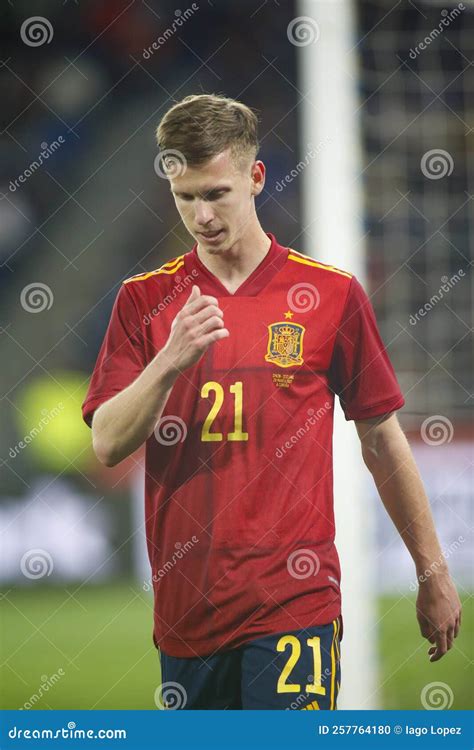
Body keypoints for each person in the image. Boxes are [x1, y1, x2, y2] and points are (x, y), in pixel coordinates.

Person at [82, 93, 462, 710]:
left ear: (255, 178)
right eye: (185, 198)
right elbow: (107, 441)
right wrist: (168, 361)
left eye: (215, 193)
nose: (201, 215)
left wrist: (431, 570)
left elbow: (382, 440)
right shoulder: (143, 302)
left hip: (295, 604)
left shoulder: (329, 295)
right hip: (187, 612)